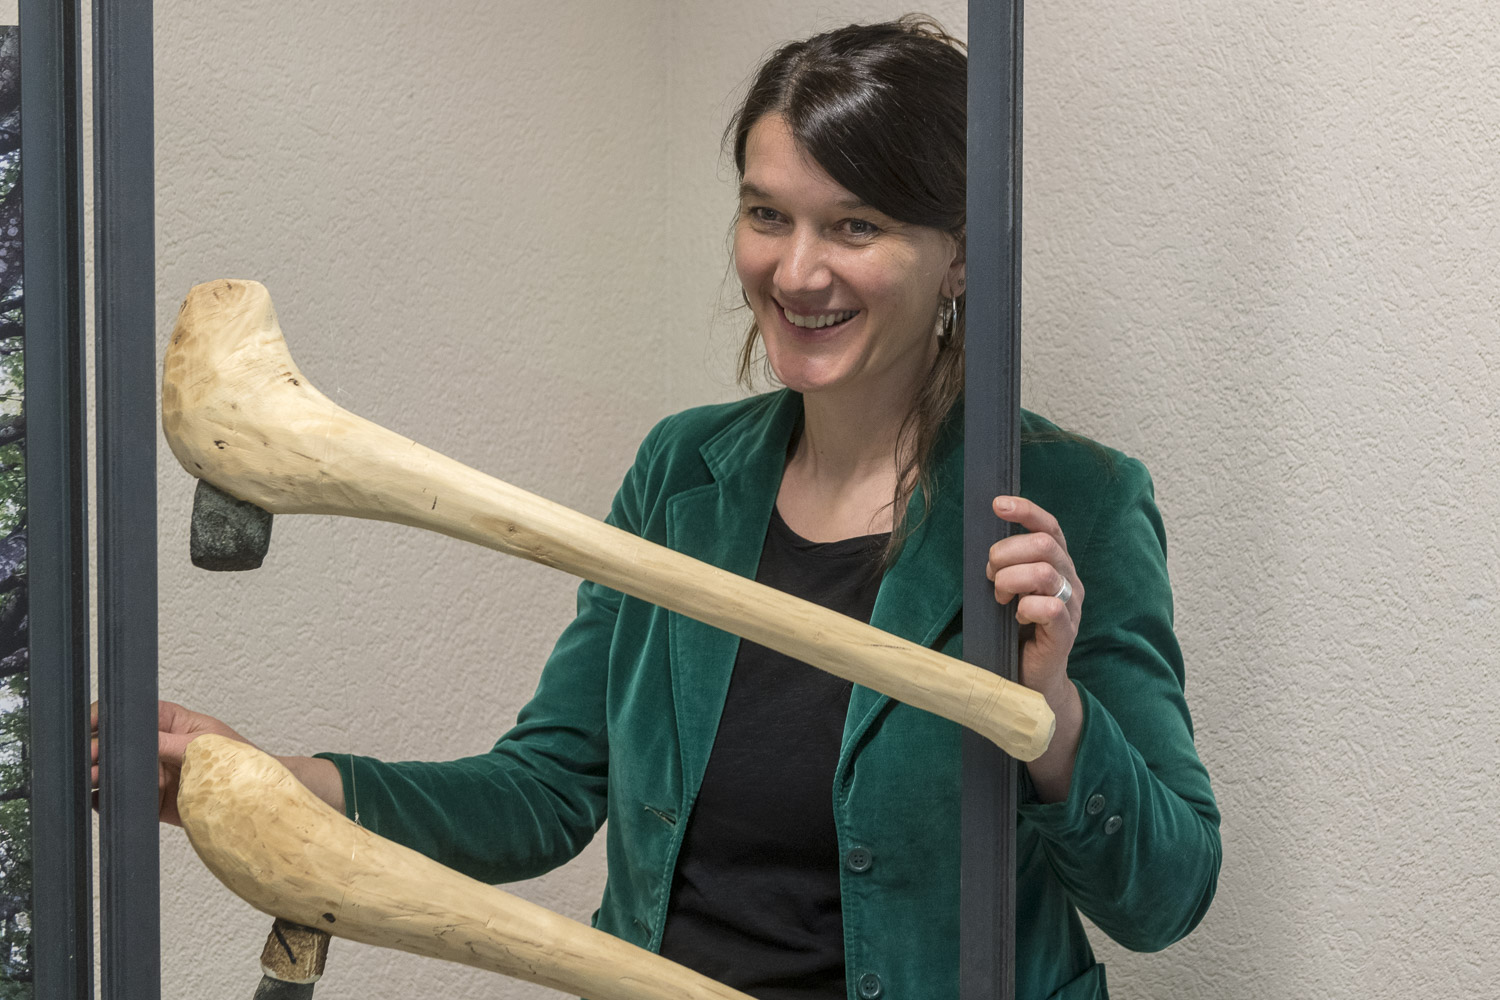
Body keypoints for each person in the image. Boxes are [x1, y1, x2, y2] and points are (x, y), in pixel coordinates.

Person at [132, 16, 1220, 1000]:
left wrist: (1054, 715)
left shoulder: (1069, 504)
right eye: (767, 215)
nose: (797, 271)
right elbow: (547, 788)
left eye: (855, 226)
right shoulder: (682, 471)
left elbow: (1167, 897)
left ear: (961, 257)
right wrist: (283, 787)